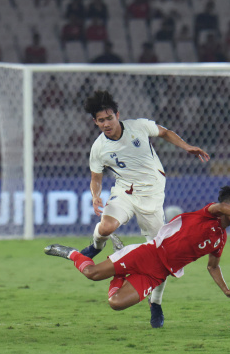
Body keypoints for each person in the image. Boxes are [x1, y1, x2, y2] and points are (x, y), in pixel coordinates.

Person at [78, 90, 211, 327]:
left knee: (163, 256)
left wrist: (186, 146)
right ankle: (95, 246)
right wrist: (95, 195)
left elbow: (166, 132)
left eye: (109, 118)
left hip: (151, 194)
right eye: (101, 120)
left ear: (117, 115)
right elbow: (95, 177)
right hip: (125, 191)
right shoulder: (98, 148)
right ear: (95, 122)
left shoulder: (138, 127)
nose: (106, 124)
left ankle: (156, 303)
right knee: (106, 226)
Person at [44, 186, 230, 315]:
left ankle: (120, 269)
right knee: (91, 273)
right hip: (147, 254)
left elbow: (212, 266)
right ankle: (71, 253)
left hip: (157, 274)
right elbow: (223, 206)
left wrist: (225, 290)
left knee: (115, 303)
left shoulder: (220, 238)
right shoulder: (208, 213)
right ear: (228, 207)